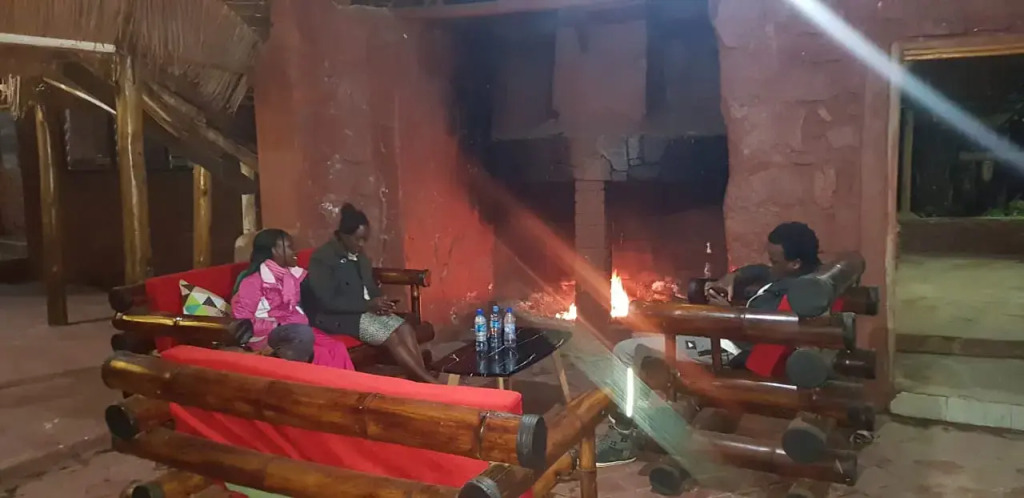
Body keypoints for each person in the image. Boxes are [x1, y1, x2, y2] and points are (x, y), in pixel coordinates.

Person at [596, 221, 823, 467]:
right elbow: (757, 271)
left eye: (775, 261)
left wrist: (726, 315)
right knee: (638, 340)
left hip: (730, 349)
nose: (771, 265)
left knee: (626, 351)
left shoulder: (797, 295)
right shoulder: (797, 279)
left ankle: (623, 435)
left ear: (795, 263)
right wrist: (730, 279)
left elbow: (765, 338)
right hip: (725, 337)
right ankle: (642, 417)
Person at [304, 203, 438, 384]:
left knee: (405, 328)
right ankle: (429, 383)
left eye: (364, 240)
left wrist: (380, 301)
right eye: (357, 239)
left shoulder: (359, 254)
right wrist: (367, 305)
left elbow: (369, 287)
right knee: (391, 337)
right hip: (338, 317)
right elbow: (326, 301)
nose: (361, 244)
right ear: (343, 235)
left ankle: (420, 379)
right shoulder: (323, 258)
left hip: (366, 311)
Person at [231, 229, 355, 370]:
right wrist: (278, 324)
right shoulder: (253, 282)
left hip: (298, 330)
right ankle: (322, 383)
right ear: (274, 251)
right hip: (269, 336)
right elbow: (242, 322)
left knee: (337, 347)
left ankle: (347, 383)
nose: (295, 251)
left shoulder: (292, 276)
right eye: (290, 247)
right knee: (319, 353)